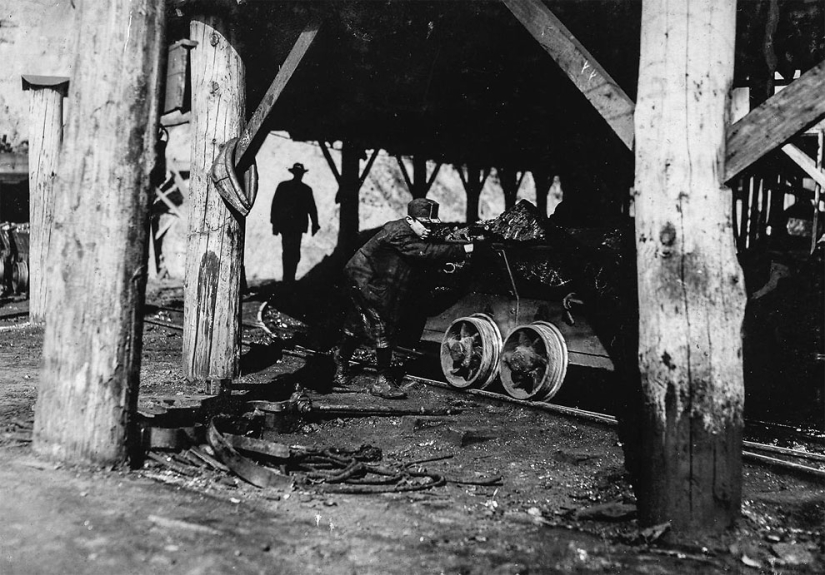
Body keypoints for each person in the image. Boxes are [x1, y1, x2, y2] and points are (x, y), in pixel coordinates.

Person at [333, 198, 475, 399]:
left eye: (432, 225)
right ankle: (381, 380)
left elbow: (430, 245)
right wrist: (466, 249)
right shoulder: (398, 232)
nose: (428, 230)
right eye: (424, 224)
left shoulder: (411, 230)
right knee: (382, 324)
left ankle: (340, 359)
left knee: (357, 323)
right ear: (410, 219)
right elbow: (425, 252)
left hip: (375, 278)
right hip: (365, 279)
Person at [270, 162, 320, 283]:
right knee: (290, 251)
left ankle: (289, 278)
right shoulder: (286, 187)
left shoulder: (304, 189)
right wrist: (275, 224)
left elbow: (311, 208)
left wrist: (315, 224)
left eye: (300, 174)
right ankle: (288, 278)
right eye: (297, 173)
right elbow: (276, 206)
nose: (299, 175)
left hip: (293, 227)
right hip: (288, 226)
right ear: (294, 173)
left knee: (292, 252)